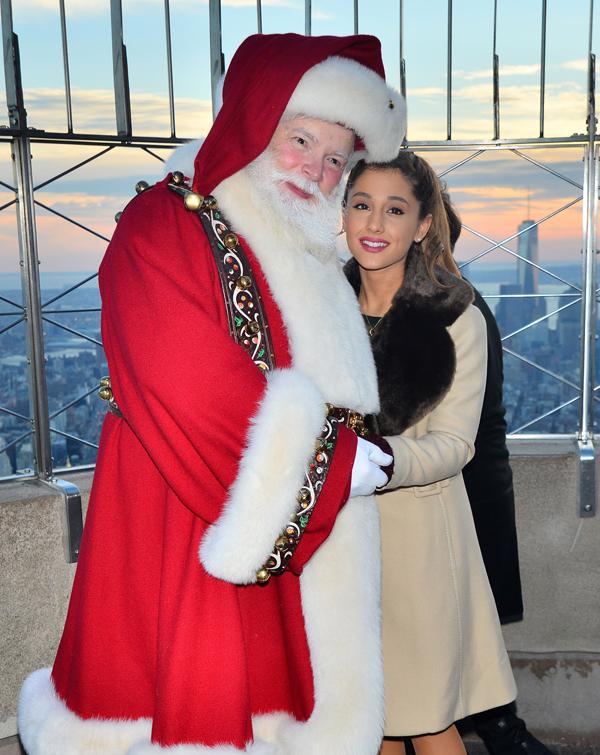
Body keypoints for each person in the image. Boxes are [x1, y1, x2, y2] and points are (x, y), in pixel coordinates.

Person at [18, 33, 403, 754]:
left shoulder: (300, 246)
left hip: (275, 544)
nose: (316, 170)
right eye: (300, 140)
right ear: (253, 125)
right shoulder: (164, 224)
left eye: (335, 158)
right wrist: (330, 462)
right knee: (201, 712)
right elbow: (190, 386)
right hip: (182, 525)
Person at [342, 151, 517, 755]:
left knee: (424, 716)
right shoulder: (318, 307)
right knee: (373, 719)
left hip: (416, 537)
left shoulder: (454, 318)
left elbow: (456, 443)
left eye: (395, 210)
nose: (374, 223)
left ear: (422, 224)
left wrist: (381, 462)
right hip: (335, 546)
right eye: (361, 204)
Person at [443, 197, 552, 755]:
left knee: (458, 627)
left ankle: (503, 728)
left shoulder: (457, 309)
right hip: (470, 482)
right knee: (460, 628)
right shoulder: (460, 303)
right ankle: (503, 728)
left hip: (460, 485)